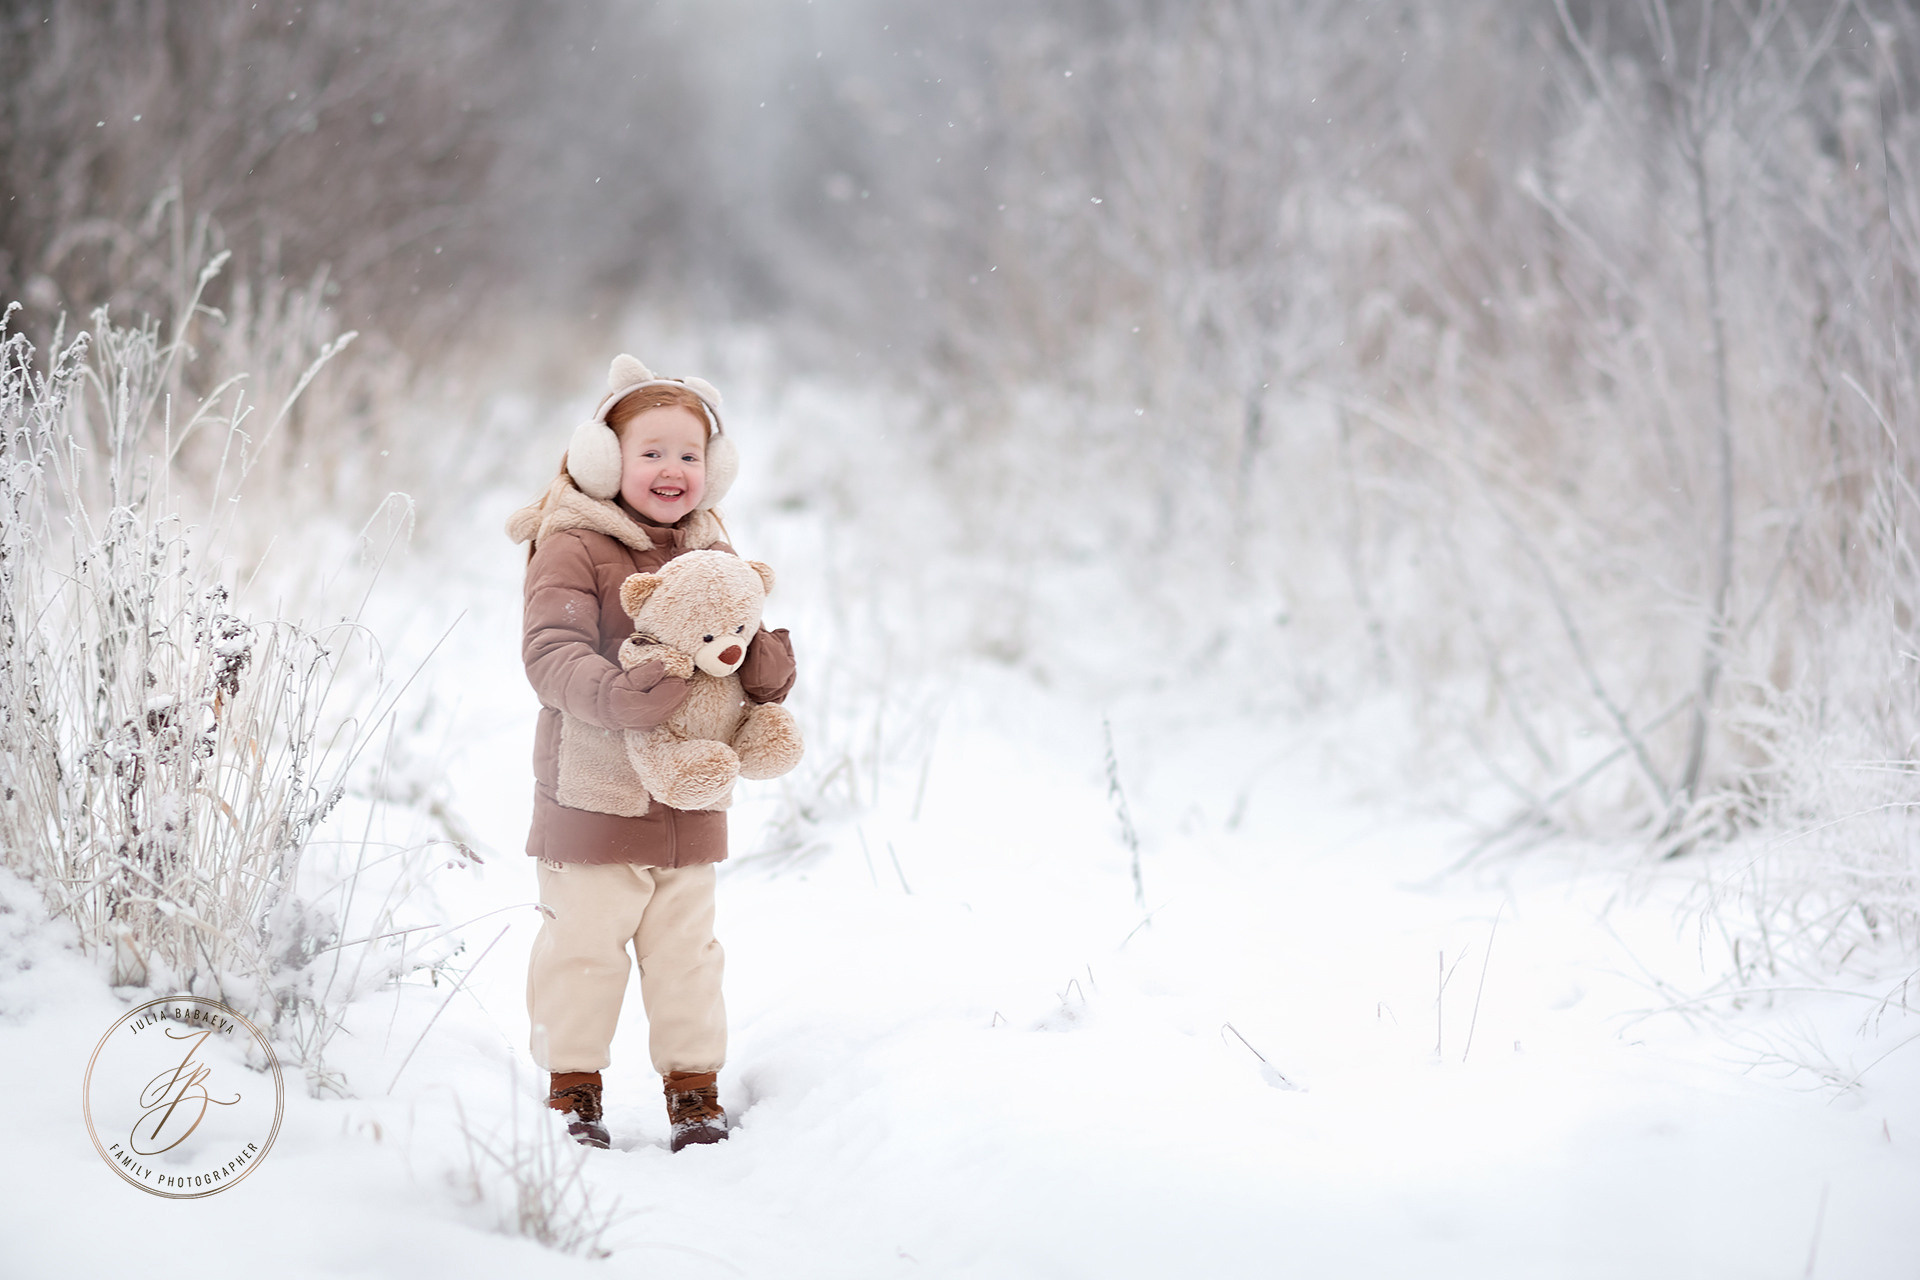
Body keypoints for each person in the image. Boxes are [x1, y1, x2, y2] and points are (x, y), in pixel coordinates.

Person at [505, 354, 795, 1151]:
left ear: (715, 468)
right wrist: (613, 692)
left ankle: (694, 1088)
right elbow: (550, 650)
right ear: (606, 459)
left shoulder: (714, 546)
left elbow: (733, 641)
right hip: (594, 798)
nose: (673, 470)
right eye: (652, 452)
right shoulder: (573, 545)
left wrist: (768, 666)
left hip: (690, 800)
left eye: (691, 455)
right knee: (584, 950)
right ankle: (573, 1088)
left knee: (689, 957)